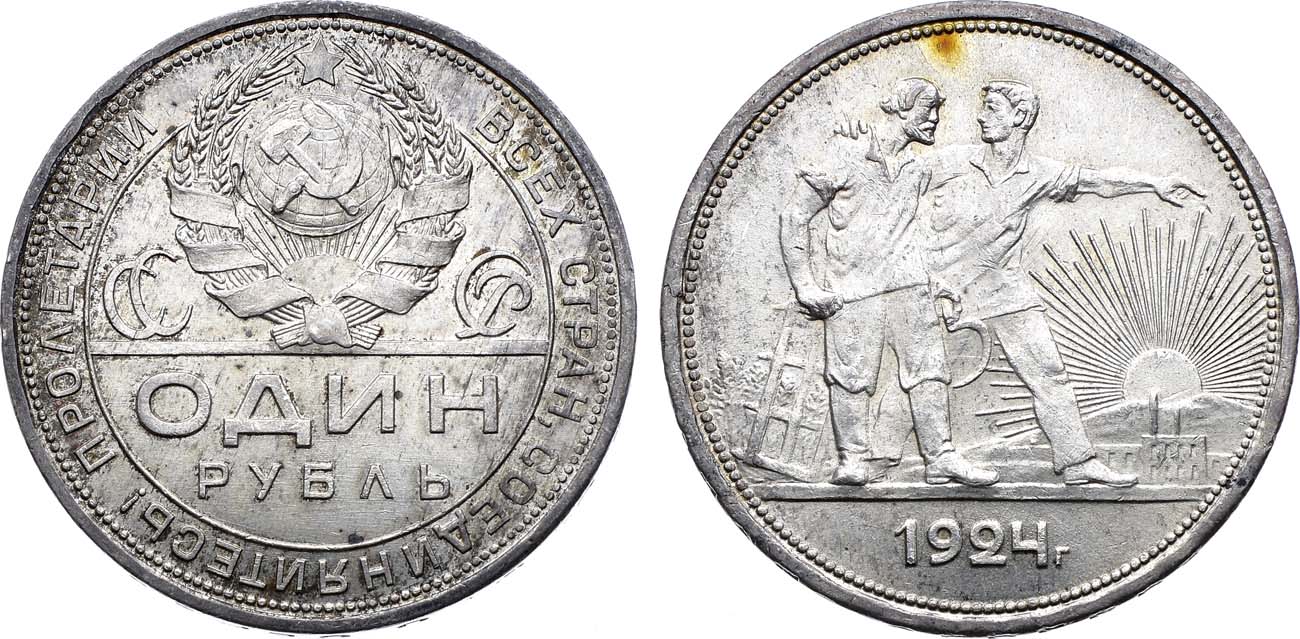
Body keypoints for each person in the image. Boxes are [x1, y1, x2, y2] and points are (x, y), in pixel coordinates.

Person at [920, 80, 1206, 486]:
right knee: (921, 377)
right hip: (938, 289)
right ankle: (881, 457)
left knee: (1050, 373)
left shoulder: (1038, 174)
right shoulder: (951, 162)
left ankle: (1076, 461)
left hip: (1003, 288)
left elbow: (1100, 182)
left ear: (1020, 117)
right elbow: (894, 195)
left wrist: (1154, 184)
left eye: (993, 108)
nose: (981, 117)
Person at [780, 78, 998, 487]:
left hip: (910, 288)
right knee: (850, 376)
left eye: (937, 111)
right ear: (901, 107)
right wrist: (804, 286)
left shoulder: (917, 167)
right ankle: (852, 460)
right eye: (928, 109)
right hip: (853, 292)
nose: (935, 119)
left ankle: (941, 457)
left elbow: (909, 231)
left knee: (930, 372)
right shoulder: (846, 151)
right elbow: (795, 216)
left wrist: (935, 281)